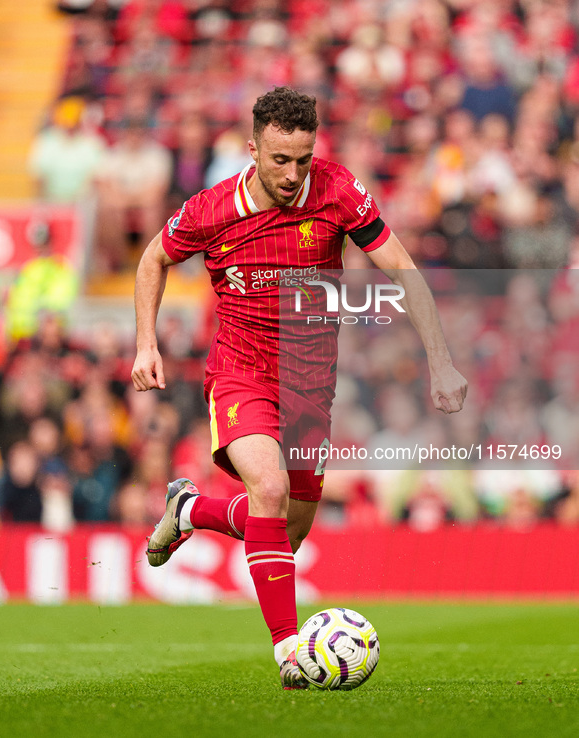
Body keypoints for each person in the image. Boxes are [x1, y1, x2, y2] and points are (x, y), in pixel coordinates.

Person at [131, 87, 467, 690]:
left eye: (302, 160)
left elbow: (404, 271)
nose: (292, 175)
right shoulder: (213, 209)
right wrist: (145, 344)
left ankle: (191, 511)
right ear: (253, 147)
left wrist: (441, 363)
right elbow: (153, 258)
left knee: (287, 528)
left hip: (313, 385)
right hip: (241, 371)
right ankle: (292, 653)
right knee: (269, 485)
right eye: (279, 159)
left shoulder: (338, 192)